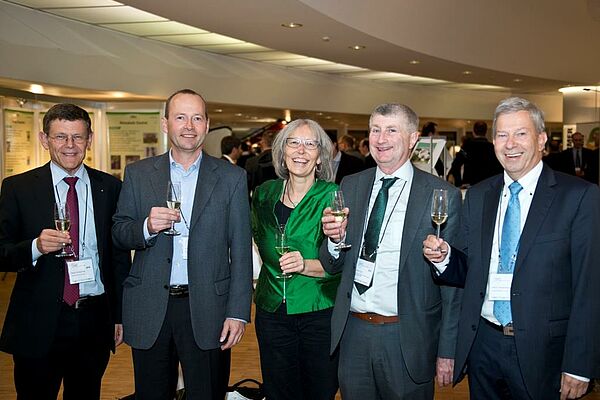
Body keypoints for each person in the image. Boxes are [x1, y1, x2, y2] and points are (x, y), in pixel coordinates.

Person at [423, 97, 600, 400]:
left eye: (521, 133)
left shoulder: (579, 197)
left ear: (542, 139)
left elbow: (590, 285)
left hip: (546, 354)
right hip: (484, 346)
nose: (510, 144)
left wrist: (580, 364)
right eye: (502, 135)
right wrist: (445, 258)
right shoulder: (479, 196)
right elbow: (469, 269)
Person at [112, 89, 253, 400]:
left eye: (197, 118)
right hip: (151, 308)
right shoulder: (138, 174)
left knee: (207, 393)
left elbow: (241, 250)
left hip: (208, 309)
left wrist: (238, 312)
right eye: (180, 117)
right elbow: (120, 232)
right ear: (165, 124)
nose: (189, 125)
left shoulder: (232, 178)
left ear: (206, 125)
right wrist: (146, 227)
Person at [320, 103, 462, 400]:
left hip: (407, 337)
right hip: (354, 333)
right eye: (375, 130)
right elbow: (332, 264)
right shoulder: (351, 184)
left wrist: (448, 350)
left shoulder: (440, 194)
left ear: (413, 139)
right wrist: (334, 241)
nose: (380, 139)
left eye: (391, 130)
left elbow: (453, 286)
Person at [0, 103, 130, 399]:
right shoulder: (18, 188)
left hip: (93, 320)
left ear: (89, 139)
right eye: (60, 137)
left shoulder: (110, 187)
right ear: (44, 139)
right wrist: (34, 247)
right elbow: (1, 250)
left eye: (77, 137)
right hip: (39, 320)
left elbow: (118, 258)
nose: (70, 146)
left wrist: (119, 315)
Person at [252, 119, 340, 400]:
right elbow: (256, 238)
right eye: (294, 143)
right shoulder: (264, 193)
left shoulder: (332, 195)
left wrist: (305, 265)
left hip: (319, 312)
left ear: (320, 156)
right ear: (282, 151)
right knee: (278, 391)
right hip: (271, 311)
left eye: (310, 144)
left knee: (319, 390)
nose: (301, 151)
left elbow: (341, 260)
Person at [452, 121, 503, 186]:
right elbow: (499, 169)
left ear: (473, 132)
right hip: (489, 185)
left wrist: (459, 183)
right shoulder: (493, 148)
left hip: (471, 185)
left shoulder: (466, 147)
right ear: (486, 131)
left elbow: (456, 164)